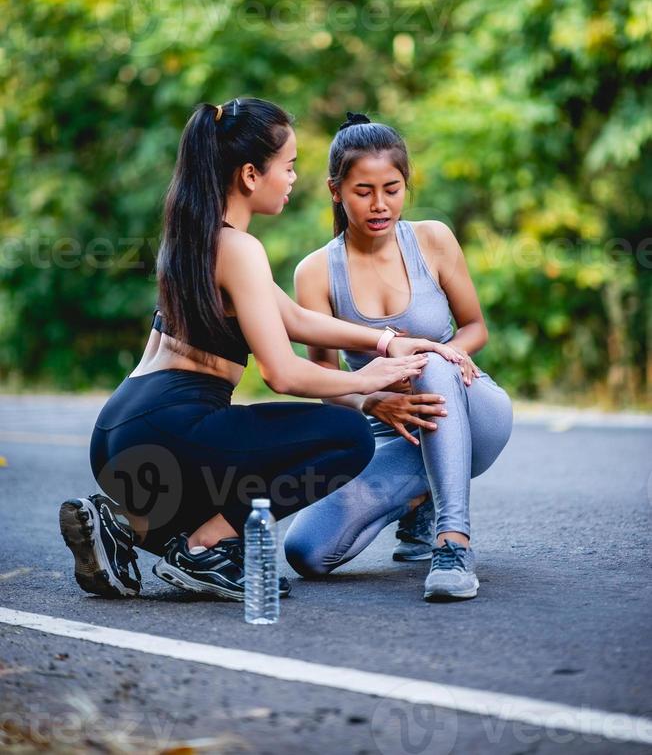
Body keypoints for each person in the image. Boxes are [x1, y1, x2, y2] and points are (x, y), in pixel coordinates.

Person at [59, 98, 438, 602]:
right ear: (251, 175)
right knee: (347, 437)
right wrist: (370, 381)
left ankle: (125, 528)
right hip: (173, 429)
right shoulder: (239, 250)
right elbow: (283, 373)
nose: (294, 178)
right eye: (289, 166)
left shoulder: (193, 238)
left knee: (235, 475)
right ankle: (206, 546)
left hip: (117, 436)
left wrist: (386, 340)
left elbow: (296, 318)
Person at [283, 113, 514, 601]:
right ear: (335, 190)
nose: (380, 204)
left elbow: (476, 327)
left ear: (406, 184)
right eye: (363, 191)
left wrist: (443, 352)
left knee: (426, 361)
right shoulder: (316, 271)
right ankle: (416, 495)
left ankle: (453, 540)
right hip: (392, 435)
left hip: (472, 415)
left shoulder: (432, 239)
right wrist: (371, 402)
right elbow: (321, 376)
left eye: (392, 188)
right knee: (306, 552)